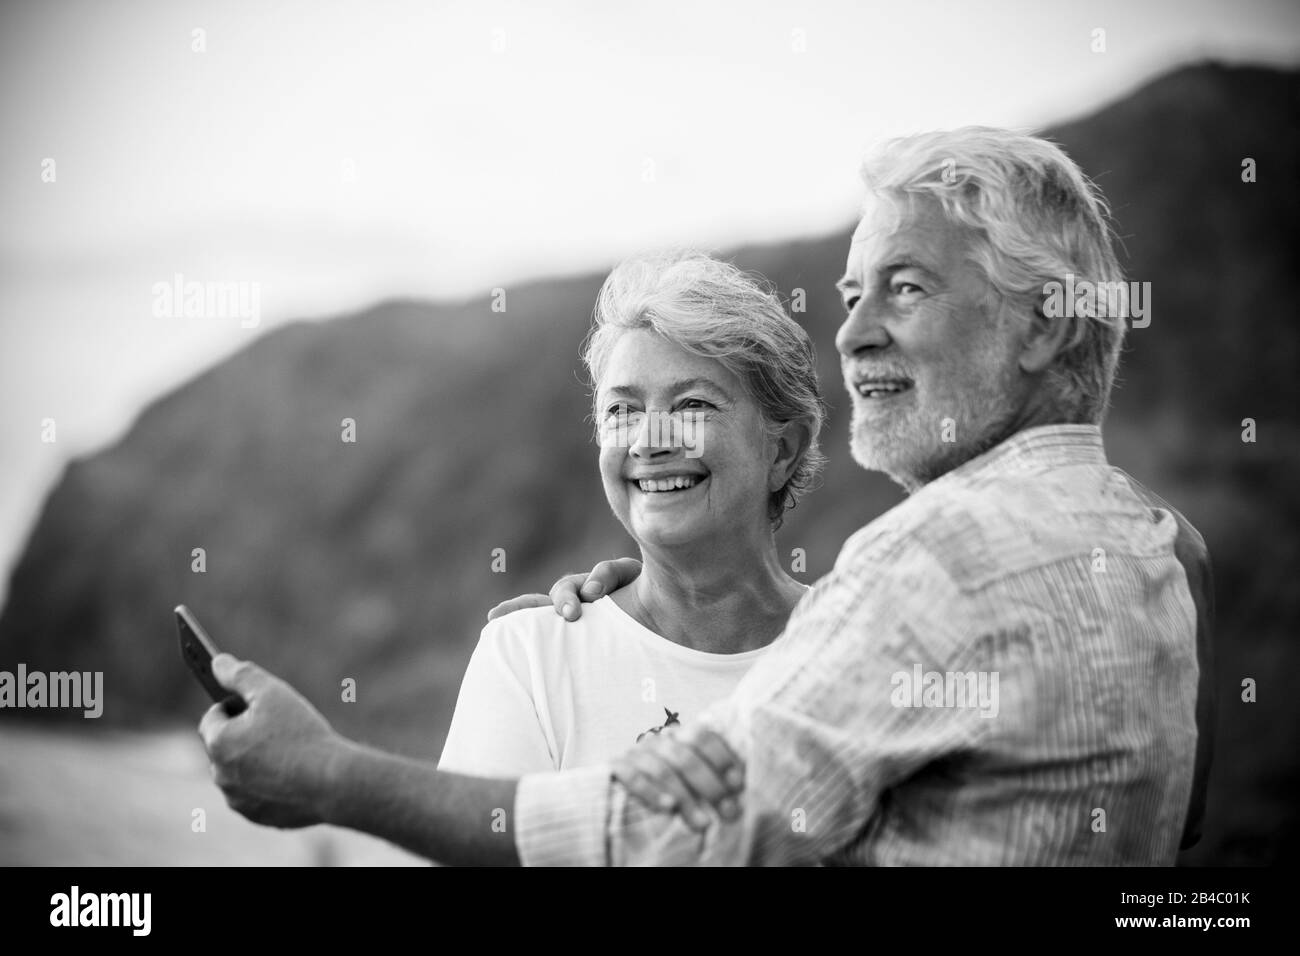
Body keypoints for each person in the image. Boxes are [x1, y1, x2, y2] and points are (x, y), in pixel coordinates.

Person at [200, 126, 1212, 866]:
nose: (855, 330)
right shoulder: (1154, 554)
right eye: (853, 293)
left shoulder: (924, 570)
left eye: (905, 286)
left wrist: (328, 773)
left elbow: (676, 835)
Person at [437, 252, 825, 802]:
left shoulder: (865, 652)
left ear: (782, 450)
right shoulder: (530, 657)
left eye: (692, 404)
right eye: (622, 411)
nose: (649, 440)